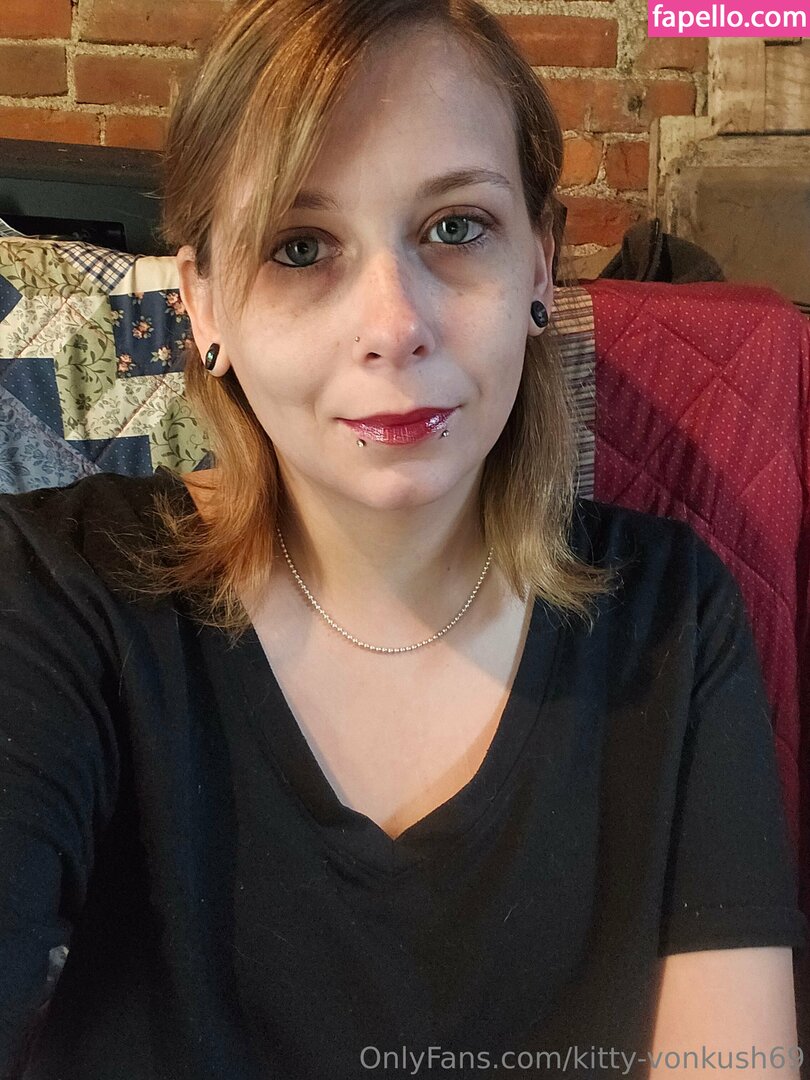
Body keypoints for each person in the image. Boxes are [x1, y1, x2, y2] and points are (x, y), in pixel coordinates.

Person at [0, 0, 805, 1077]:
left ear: (539, 265)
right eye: (299, 247)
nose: (394, 326)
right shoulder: (54, 592)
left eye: (456, 228)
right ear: (204, 306)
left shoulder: (675, 615)